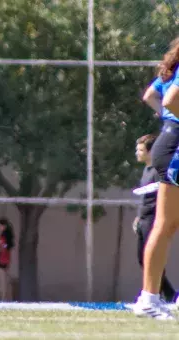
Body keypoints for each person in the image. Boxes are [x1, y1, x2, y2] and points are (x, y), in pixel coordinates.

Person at [133, 38, 179, 320]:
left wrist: (168, 122)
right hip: (175, 148)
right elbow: (171, 100)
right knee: (164, 225)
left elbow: (154, 96)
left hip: (170, 141)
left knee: (166, 225)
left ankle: (149, 298)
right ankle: (148, 299)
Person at [133, 134, 176, 302]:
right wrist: (138, 217)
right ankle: (167, 294)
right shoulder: (146, 170)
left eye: (141, 150)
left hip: (153, 218)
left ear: (151, 152)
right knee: (142, 259)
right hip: (143, 219)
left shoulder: (160, 171)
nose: (137, 153)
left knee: (151, 259)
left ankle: (160, 295)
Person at [0, 218, 14, 301]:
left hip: (2, 258)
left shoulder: (3, 236)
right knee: (6, 280)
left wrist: (2, 248)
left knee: (2, 281)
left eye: (0, 225)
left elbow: (2, 246)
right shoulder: (9, 236)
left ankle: (3, 299)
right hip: (6, 258)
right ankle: (8, 298)